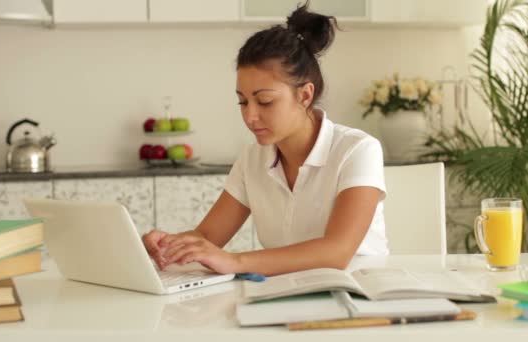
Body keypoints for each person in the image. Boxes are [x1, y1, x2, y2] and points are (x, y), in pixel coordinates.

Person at [143, 3, 387, 276]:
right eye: (243, 102)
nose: (250, 116)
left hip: (359, 300)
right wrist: (167, 246)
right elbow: (207, 237)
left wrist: (234, 261)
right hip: (284, 296)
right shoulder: (252, 159)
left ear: (305, 95)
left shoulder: (357, 150)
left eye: (265, 101)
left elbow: (336, 252)